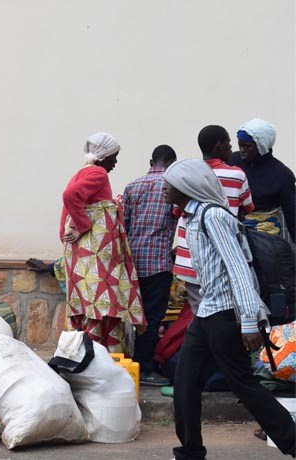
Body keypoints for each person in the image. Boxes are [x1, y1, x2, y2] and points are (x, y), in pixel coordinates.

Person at [162, 157, 296, 459]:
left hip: (224, 314)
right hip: (207, 311)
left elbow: (238, 268)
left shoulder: (213, 217)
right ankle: (190, 451)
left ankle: (292, 440)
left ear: (186, 187)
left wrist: (249, 321)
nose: (164, 190)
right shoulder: (191, 217)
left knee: (243, 384)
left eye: (168, 185)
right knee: (185, 382)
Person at [59, 132, 145, 353]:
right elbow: (69, 196)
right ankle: (101, 356)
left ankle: (83, 356)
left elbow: (69, 205)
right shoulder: (98, 173)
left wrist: (68, 230)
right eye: (114, 157)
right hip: (95, 260)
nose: (115, 163)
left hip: (83, 259)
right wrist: (84, 225)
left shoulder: (81, 172)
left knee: (86, 305)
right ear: (104, 156)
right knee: (101, 306)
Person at [172, 125, 254, 316]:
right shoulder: (237, 175)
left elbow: (178, 211)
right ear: (219, 145)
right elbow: (247, 209)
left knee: (199, 313)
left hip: (190, 259)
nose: (232, 148)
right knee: (223, 315)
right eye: (228, 143)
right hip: (222, 259)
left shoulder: (187, 176)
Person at [122, 145, 178, 386]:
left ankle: (129, 363)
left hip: (132, 263)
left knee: (133, 316)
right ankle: (144, 367)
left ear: (151, 160)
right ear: (173, 163)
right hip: (158, 263)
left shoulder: (132, 186)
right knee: (153, 319)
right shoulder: (173, 187)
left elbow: (123, 224)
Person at [230, 118, 295, 240]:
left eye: (247, 146)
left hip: (265, 239)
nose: (242, 150)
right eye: (240, 145)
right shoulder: (233, 161)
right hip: (232, 233)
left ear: (262, 146)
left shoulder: (282, 174)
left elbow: (292, 217)